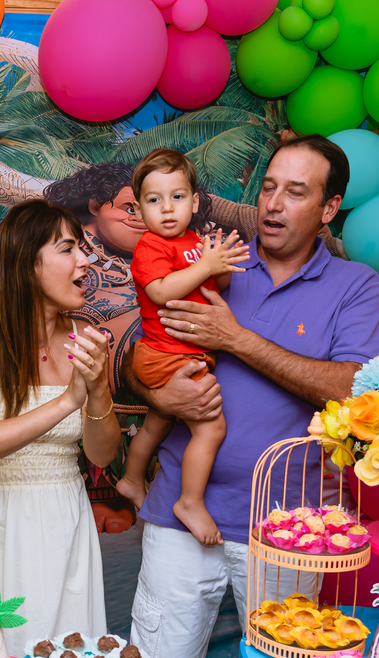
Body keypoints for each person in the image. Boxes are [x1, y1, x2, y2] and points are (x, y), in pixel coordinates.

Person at [126, 135, 379, 658]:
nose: (273, 203)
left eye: (295, 193)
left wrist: (235, 337)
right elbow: (147, 347)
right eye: (268, 187)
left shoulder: (355, 285)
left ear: (328, 209)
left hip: (288, 525)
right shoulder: (211, 258)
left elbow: (354, 390)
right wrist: (155, 390)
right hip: (178, 514)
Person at [0, 199, 120, 658]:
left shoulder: (85, 336)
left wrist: (97, 391)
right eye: (67, 249)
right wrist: (66, 402)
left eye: (82, 248)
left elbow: (100, 455)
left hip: (63, 518)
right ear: (27, 264)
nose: (84, 260)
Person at [116, 149, 250, 544]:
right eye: (154, 200)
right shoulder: (152, 247)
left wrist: (219, 268)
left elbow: (208, 288)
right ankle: (189, 502)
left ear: (194, 202)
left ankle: (130, 479)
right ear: (139, 209)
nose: (167, 208)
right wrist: (205, 267)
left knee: (158, 421)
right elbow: (160, 291)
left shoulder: (195, 243)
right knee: (211, 428)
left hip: (181, 352)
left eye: (177, 197)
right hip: (165, 355)